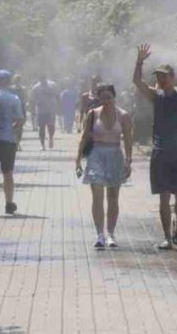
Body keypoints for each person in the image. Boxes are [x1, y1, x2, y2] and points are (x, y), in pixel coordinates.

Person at [133, 36, 177, 250]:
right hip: (161, 152)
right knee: (163, 197)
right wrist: (139, 62)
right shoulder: (156, 95)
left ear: (172, 77)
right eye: (158, 76)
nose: (160, 79)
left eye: (163, 76)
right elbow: (137, 82)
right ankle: (167, 238)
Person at [76, 84, 133, 249]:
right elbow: (84, 136)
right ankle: (99, 234)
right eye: (103, 98)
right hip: (96, 155)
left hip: (115, 155)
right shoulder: (93, 114)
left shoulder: (123, 115)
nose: (106, 101)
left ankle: (111, 234)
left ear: (114, 97)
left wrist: (128, 161)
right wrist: (78, 160)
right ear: (98, 99)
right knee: (97, 195)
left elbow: (128, 139)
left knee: (113, 196)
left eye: (109, 97)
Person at [0, 70, 24, 214]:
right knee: (7, 172)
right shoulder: (14, 98)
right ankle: (9, 204)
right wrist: (12, 129)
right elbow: (20, 121)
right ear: (9, 82)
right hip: (8, 138)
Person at [31, 74, 59, 150]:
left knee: (51, 126)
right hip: (41, 110)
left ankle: (51, 138)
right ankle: (42, 144)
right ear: (39, 79)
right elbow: (33, 100)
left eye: (44, 79)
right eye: (41, 79)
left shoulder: (52, 85)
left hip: (51, 109)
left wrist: (58, 107)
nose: (43, 81)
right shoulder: (36, 87)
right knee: (41, 128)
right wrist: (33, 111)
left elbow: (57, 96)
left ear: (46, 78)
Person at [10, 75, 27, 150]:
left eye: (19, 80)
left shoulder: (23, 89)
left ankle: (18, 142)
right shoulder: (11, 89)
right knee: (14, 127)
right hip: (13, 110)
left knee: (20, 128)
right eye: (17, 80)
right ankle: (16, 143)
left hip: (21, 109)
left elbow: (25, 99)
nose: (18, 82)